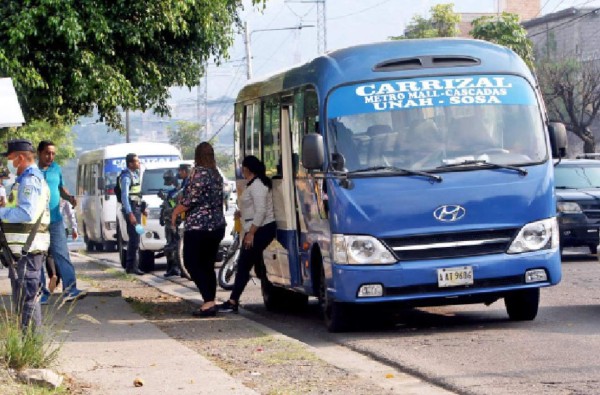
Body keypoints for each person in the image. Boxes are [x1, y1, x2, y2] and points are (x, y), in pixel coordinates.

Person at [0, 139, 50, 330]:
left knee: (28, 300)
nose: (9, 165)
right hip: (22, 252)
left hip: (28, 251)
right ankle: (28, 343)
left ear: (20, 158)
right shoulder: (24, 180)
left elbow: (26, 213)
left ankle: (32, 346)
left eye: (11, 159)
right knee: (24, 300)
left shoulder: (30, 180)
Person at [172, 142, 226, 317]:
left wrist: (176, 212)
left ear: (197, 156)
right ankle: (210, 301)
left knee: (191, 263)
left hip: (198, 226)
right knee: (207, 265)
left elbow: (190, 200)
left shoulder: (199, 173)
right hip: (217, 226)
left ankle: (208, 301)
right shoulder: (216, 174)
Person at [218, 155, 276, 314]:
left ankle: (233, 301)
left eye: (243, 168)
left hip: (261, 229)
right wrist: (241, 213)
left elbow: (261, 211)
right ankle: (273, 294)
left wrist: (251, 234)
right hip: (257, 228)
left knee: (243, 265)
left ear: (247, 169)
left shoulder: (257, 186)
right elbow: (253, 208)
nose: (241, 170)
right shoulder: (253, 184)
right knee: (258, 267)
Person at [37, 140, 86, 302]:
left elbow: (60, 188)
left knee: (62, 254)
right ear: (39, 153)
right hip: (37, 223)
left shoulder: (56, 169)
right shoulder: (32, 171)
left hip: (56, 220)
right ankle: (41, 292)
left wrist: (70, 197)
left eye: (53, 153)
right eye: (47, 153)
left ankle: (70, 289)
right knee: (38, 257)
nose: (50, 156)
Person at [119, 153, 145, 275]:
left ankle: (131, 266)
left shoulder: (135, 174)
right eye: (136, 161)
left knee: (136, 237)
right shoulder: (126, 177)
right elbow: (125, 197)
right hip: (132, 209)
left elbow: (137, 193)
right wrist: (130, 213)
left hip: (137, 208)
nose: (138, 163)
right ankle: (131, 267)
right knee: (134, 238)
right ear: (130, 163)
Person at [160, 169, 182, 277]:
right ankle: (171, 268)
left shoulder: (179, 190)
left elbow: (176, 206)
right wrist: (161, 216)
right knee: (169, 245)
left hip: (176, 221)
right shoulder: (171, 192)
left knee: (177, 245)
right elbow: (165, 205)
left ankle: (179, 268)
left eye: (168, 179)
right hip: (168, 221)